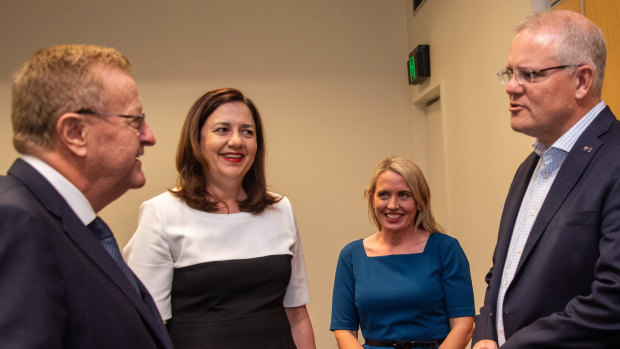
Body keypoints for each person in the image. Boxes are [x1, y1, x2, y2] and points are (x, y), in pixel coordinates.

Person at [0, 44, 172, 348]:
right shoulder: (17, 222)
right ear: (75, 133)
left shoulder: (66, 223)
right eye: (135, 121)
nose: (149, 136)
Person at [124, 87, 316, 349]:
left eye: (247, 131)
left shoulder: (280, 209)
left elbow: (297, 316)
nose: (236, 141)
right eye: (222, 129)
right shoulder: (161, 213)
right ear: (197, 140)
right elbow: (147, 328)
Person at [472, 10, 620, 348]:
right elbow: (502, 275)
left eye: (530, 74)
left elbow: (613, 301)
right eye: (510, 73)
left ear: (582, 81)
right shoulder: (530, 166)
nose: (511, 87)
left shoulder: (614, 157)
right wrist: (483, 335)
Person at [330, 157, 474, 349]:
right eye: (384, 195)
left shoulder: (445, 249)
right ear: (372, 198)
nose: (392, 205)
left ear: (419, 201)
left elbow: (463, 326)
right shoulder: (351, 256)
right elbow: (344, 332)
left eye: (404, 195)